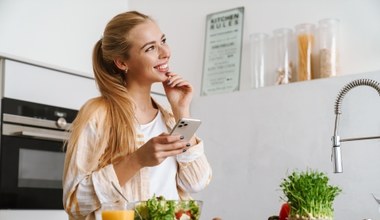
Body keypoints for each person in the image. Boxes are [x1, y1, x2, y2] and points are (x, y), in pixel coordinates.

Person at [63, 11, 212, 220]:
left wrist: (181, 111)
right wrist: (137, 160)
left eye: (163, 41)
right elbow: (75, 203)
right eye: (150, 48)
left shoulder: (170, 118)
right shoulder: (98, 114)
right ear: (122, 63)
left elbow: (196, 182)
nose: (165, 52)